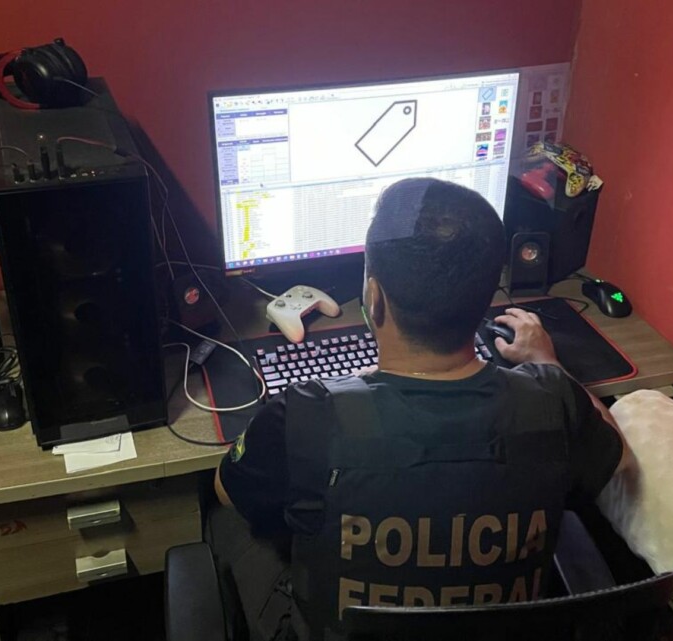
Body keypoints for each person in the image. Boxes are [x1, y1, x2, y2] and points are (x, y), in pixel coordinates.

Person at [209, 177, 631, 641]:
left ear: (373, 299)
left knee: (227, 513)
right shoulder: (553, 400)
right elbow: (618, 457)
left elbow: (228, 492)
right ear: (488, 297)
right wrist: (547, 361)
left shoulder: (304, 415)